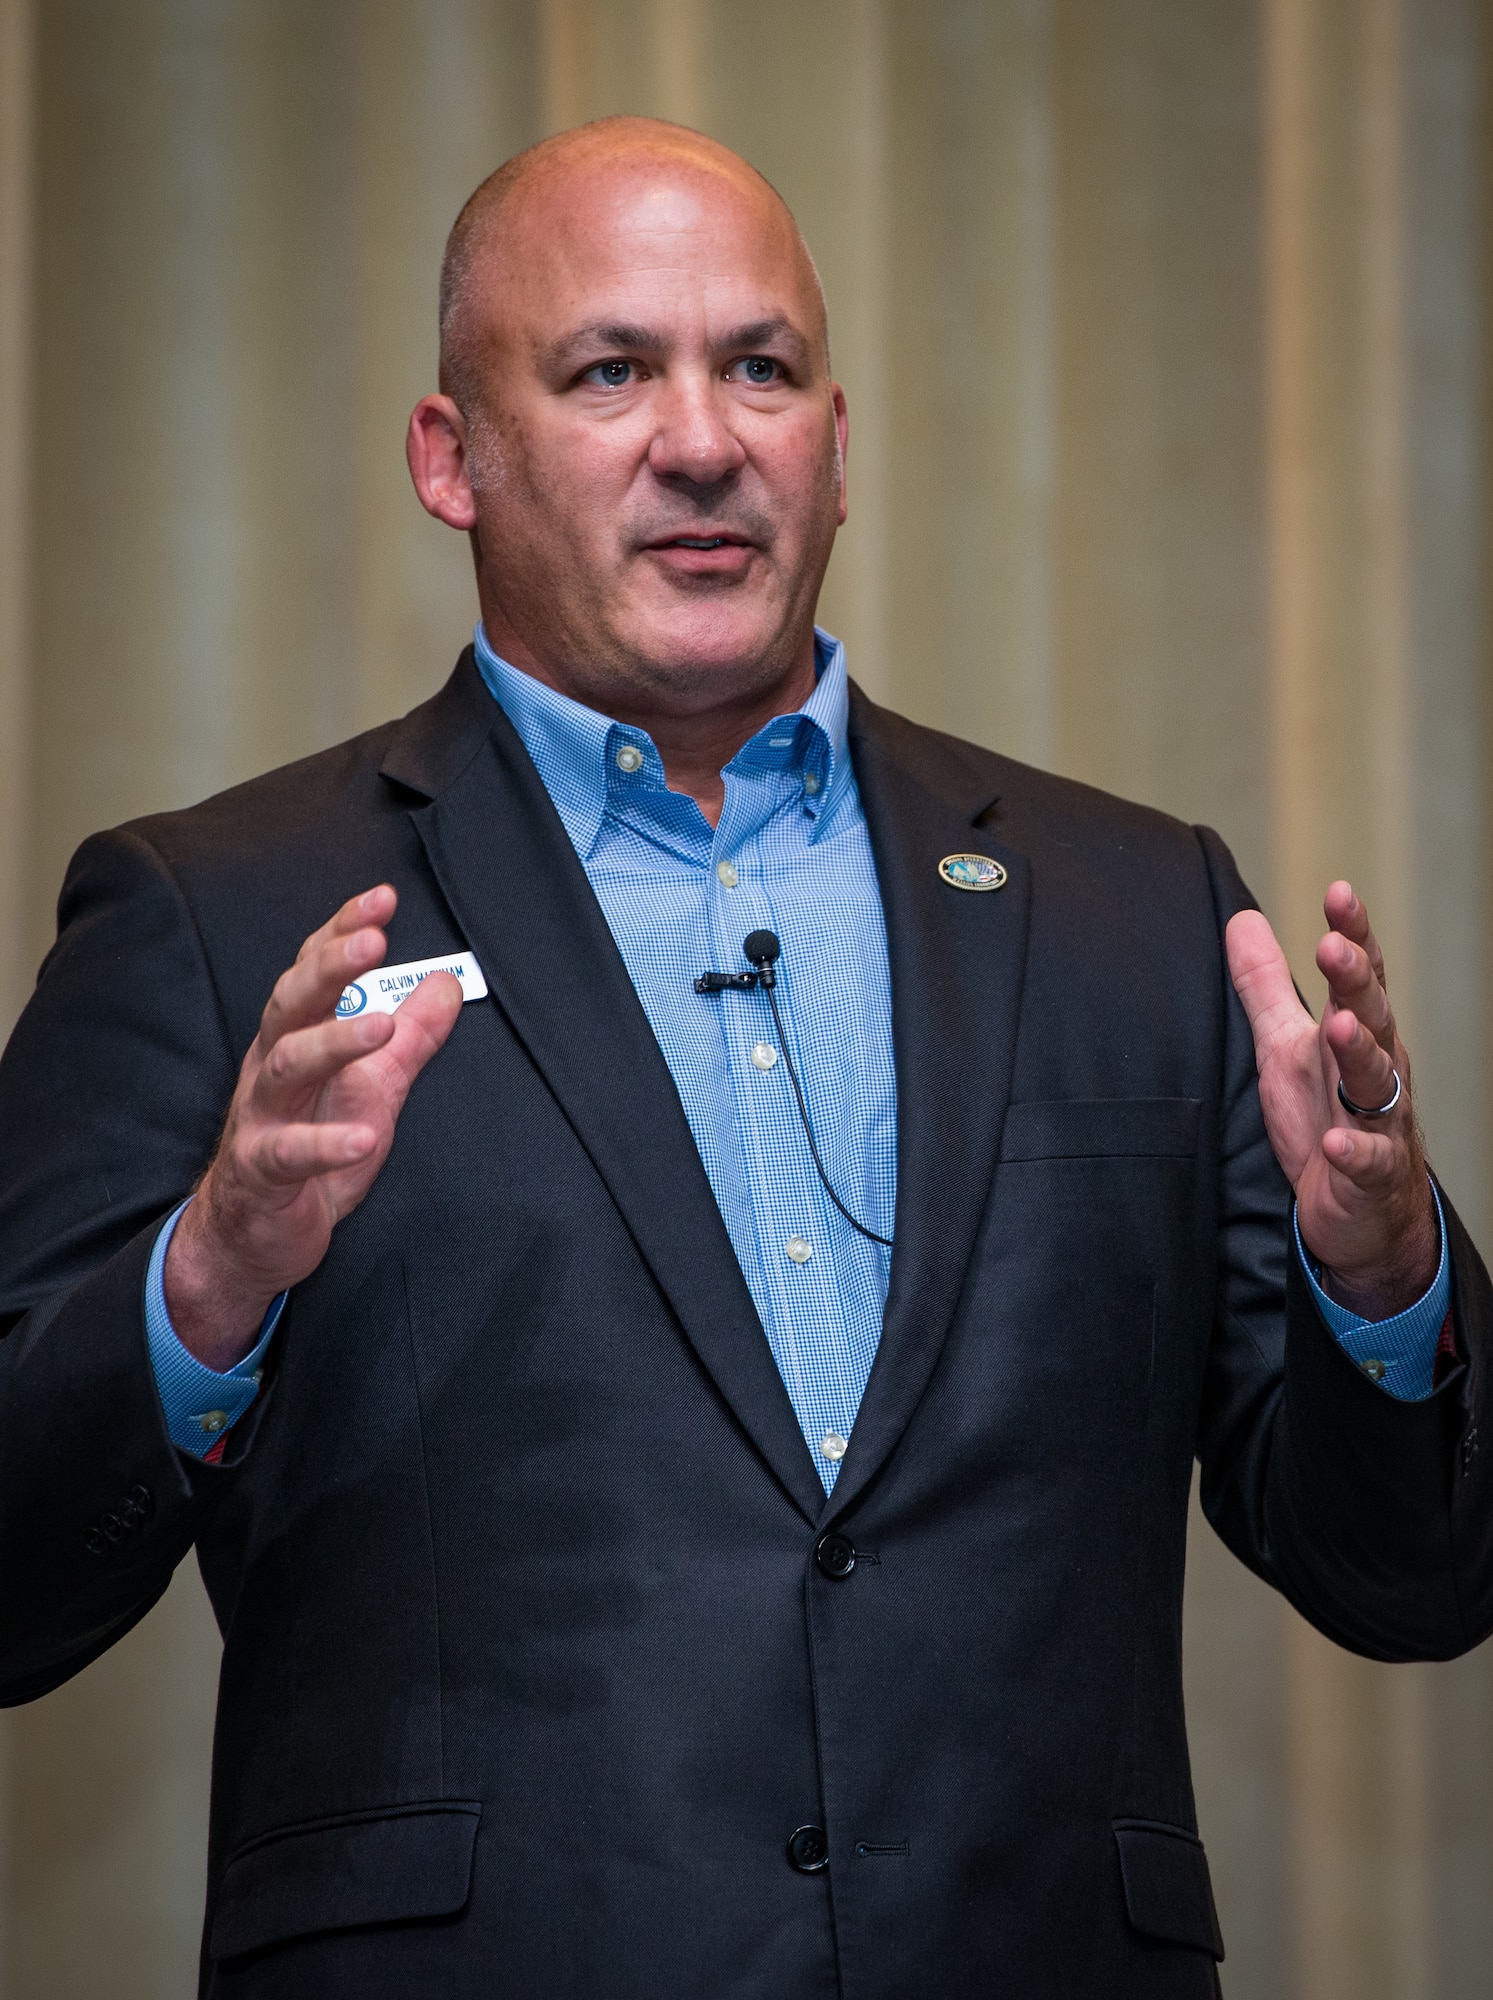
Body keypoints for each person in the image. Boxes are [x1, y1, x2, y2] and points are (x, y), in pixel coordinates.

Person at [0, 116, 1488, 1999]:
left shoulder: (1132, 910)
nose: (702, 440)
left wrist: (1381, 1275)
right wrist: (207, 1277)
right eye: (610, 369)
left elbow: (1413, 1580)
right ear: (451, 459)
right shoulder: (222, 915)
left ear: (839, 450)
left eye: (759, 370)